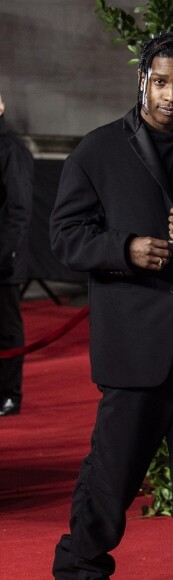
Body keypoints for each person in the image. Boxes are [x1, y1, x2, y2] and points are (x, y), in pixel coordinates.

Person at [49, 32, 173, 579]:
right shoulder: (97, 149)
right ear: (143, 78)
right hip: (133, 348)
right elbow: (65, 237)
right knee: (110, 480)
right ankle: (80, 570)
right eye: (160, 82)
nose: (170, 95)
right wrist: (126, 250)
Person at [0, 93, 34, 417]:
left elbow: (19, 210)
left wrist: (5, 254)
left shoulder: (12, 150)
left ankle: (9, 394)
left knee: (7, 328)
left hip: (4, 261)